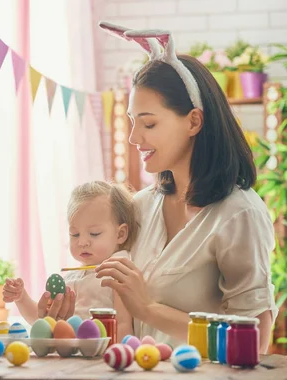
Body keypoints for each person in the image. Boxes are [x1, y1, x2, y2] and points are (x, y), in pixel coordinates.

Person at [93, 22, 277, 351]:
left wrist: (149, 308)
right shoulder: (140, 207)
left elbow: (255, 342)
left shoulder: (238, 215)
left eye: (149, 123)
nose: (135, 138)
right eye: (132, 122)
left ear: (193, 120)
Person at [3, 181, 138, 339]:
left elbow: (123, 325)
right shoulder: (71, 279)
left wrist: (117, 355)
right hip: (71, 355)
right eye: (75, 234)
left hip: (101, 357)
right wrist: (21, 298)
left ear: (120, 234)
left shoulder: (117, 274)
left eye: (94, 233)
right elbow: (42, 322)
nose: (82, 242)